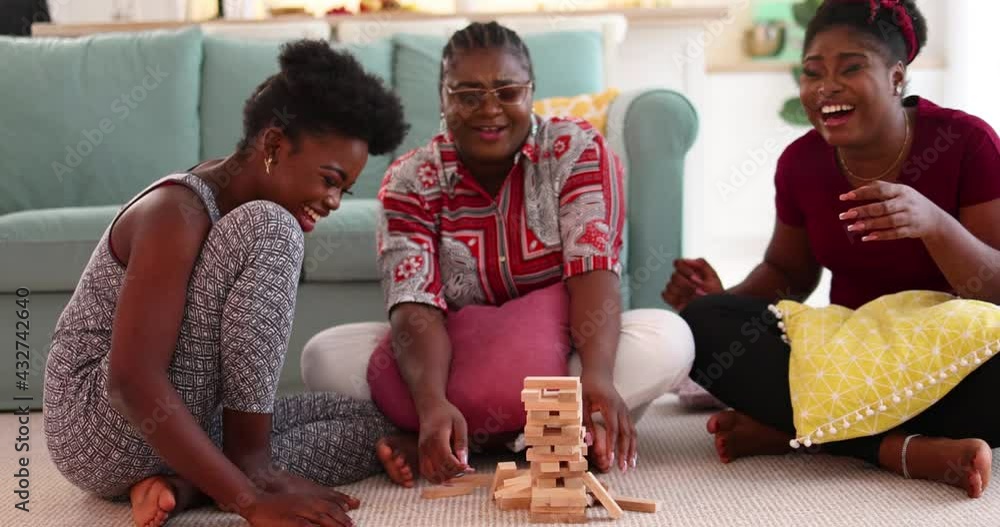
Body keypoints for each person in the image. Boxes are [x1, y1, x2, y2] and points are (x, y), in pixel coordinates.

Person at [301, 22, 695, 487]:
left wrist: (598, 376)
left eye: (507, 91)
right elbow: (414, 303)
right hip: (458, 354)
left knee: (669, 339)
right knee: (323, 356)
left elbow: (594, 271)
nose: (489, 110)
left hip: (567, 346)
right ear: (443, 99)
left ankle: (462, 436)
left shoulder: (577, 149)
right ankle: (536, 433)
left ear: (531, 92)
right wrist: (430, 402)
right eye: (467, 94)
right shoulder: (410, 178)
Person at [43, 40, 408, 527]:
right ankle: (248, 472)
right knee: (270, 227)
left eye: (344, 189)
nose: (335, 201)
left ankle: (184, 487)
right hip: (97, 422)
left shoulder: (236, 202)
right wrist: (250, 501)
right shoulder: (178, 210)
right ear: (274, 146)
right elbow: (130, 381)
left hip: (172, 413)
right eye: (329, 179)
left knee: (368, 423)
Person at [665, 0, 1000, 499]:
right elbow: (789, 272)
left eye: (851, 67)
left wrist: (934, 224)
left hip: (951, 348)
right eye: (812, 72)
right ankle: (891, 448)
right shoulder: (800, 162)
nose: (825, 87)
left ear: (895, 76)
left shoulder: (966, 141)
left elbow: (994, 291)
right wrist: (720, 294)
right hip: (852, 352)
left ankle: (804, 430)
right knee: (703, 326)